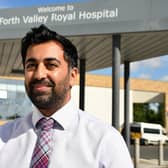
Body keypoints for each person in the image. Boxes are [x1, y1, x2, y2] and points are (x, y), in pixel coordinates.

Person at [0, 24, 133, 168]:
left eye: (51, 65)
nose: (39, 74)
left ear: (72, 76)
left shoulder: (106, 141)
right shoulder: (4, 137)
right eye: (31, 66)